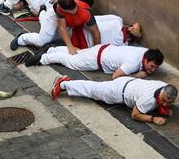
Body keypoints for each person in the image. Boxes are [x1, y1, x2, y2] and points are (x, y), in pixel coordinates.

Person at [50, 75, 177, 126]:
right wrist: (153, 119)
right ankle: (63, 84)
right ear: (161, 92)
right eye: (164, 100)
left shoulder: (164, 86)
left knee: (93, 88)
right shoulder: (148, 99)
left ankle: (68, 83)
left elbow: (166, 101)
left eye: (169, 102)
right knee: (92, 90)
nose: (165, 104)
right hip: (116, 92)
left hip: (128, 82)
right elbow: (135, 115)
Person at [26, 44, 164, 79]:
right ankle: (43, 58)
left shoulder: (146, 51)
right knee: (70, 62)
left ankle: (52, 49)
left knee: (77, 53)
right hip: (96, 60)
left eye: (155, 68)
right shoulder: (134, 63)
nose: (152, 70)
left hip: (103, 49)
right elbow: (116, 76)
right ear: (145, 59)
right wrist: (137, 76)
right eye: (151, 66)